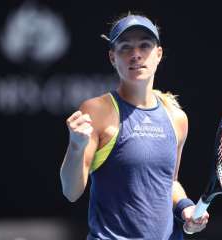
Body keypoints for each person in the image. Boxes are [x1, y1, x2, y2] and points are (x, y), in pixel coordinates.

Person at [60, 13, 210, 239]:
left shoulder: (176, 117)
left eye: (145, 45)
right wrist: (75, 147)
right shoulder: (97, 111)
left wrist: (186, 208)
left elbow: (168, 182)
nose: (136, 54)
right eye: (125, 47)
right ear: (112, 57)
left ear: (158, 54)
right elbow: (71, 192)